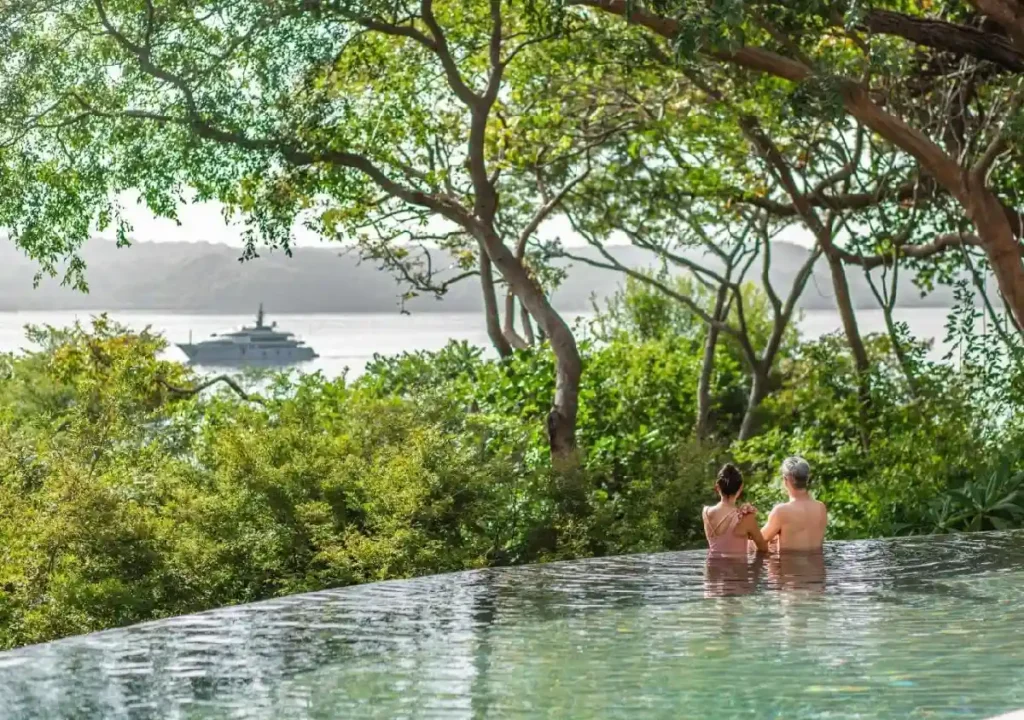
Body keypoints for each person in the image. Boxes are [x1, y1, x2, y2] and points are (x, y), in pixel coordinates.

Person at [760, 456, 827, 552]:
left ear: (785, 480)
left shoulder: (781, 511)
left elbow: (758, 541)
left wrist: (747, 523)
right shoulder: (821, 507)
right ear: (807, 479)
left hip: (790, 566)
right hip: (816, 566)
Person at [703, 463, 769, 555]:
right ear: (741, 487)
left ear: (717, 487)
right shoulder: (745, 517)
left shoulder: (705, 512)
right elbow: (763, 548)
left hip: (711, 569)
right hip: (737, 569)